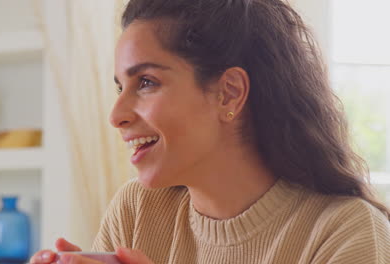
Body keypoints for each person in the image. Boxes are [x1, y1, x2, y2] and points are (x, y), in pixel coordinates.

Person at [31, 0, 390, 263]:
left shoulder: (345, 232)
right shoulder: (137, 210)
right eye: (119, 87)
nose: (116, 115)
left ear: (229, 92)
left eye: (145, 82)